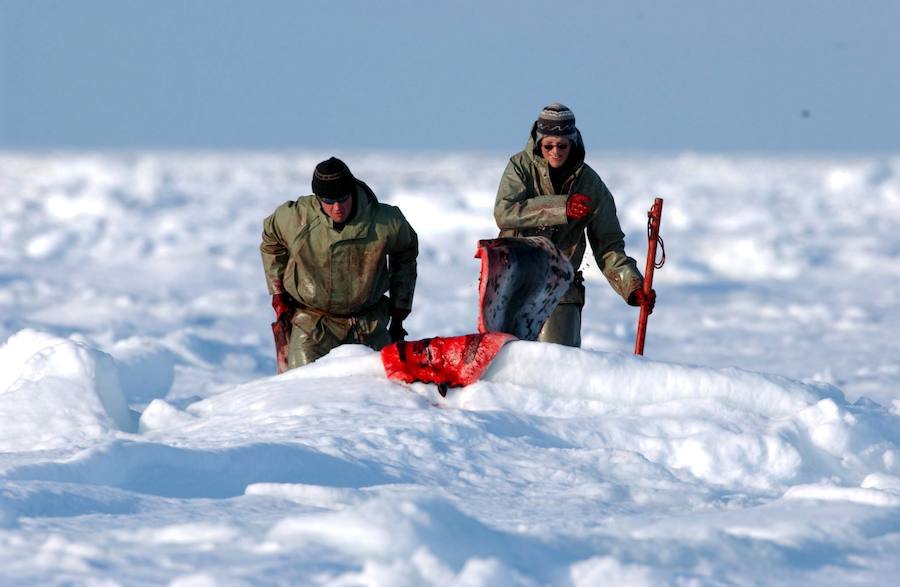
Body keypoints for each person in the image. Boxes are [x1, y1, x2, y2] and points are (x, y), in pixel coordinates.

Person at [493, 102, 655, 347]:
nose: (555, 151)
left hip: (561, 290)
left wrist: (631, 285)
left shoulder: (590, 185)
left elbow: (608, 245)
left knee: (557, 364)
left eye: (562, 145)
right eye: (548, 145)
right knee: (508, 364)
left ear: (573, 143)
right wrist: (561, 207)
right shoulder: (519, 168)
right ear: (538, 143)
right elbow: (504, 212)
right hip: (511, 284)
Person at [260, 157, 418, 369]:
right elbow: (271, 241)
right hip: (312, 322)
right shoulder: (295, 219)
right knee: (301, 385)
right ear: (317, 198)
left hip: (368, 322)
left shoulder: (385, 222)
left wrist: (400, 306)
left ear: (352, 191)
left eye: (343, 198)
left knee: (385, 385)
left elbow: (406, 252)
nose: (337, 208)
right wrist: (278, 292)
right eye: (328, 201)